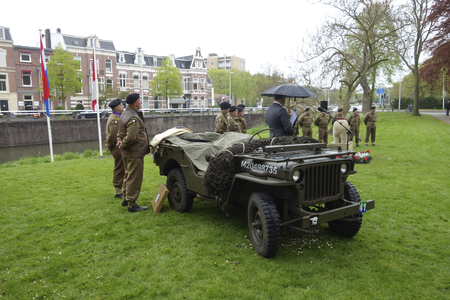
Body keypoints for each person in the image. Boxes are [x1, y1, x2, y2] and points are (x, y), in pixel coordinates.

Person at [117, 93, 150, 212]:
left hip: (127, 152)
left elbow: (120, 133)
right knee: (134, 178)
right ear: (135, 103)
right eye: (140, 100)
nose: (141, 102)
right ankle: (132, 204)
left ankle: (126, 199)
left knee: (127, 175)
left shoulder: (125, 114)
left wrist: (120, 143)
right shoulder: (133, 117)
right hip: (134, 152)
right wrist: (124, 144)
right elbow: (131, 137)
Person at [105, 98, 126, 201]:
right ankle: (118, 190)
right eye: (121, 105)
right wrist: (108, 145)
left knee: (121, 167)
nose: (123, 106)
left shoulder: (116, 117)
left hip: (117, 146)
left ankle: (121, 188)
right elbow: (113, 135)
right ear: (117, 107)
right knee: (119, 168)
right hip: (117, 147)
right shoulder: (115, 119)